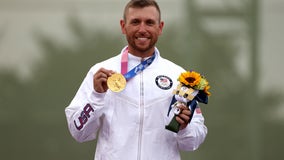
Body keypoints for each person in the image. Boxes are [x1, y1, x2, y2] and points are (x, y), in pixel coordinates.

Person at [65, 0, 207, 160]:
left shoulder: (178, 76)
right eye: (135, 22)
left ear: (160, 27)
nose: (142, 29)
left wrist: (184, 128)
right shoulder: (100, 72)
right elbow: (78, 132)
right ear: (123, 26)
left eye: (149, 22)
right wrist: (96, 96)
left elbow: (194, 141)